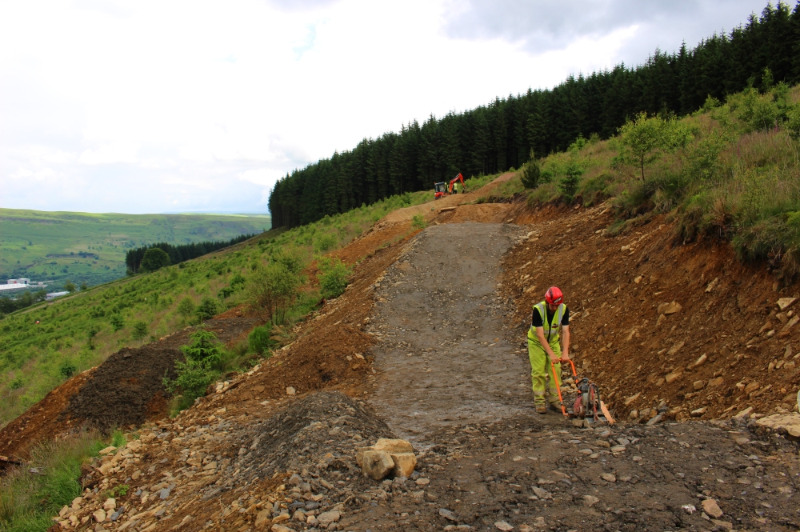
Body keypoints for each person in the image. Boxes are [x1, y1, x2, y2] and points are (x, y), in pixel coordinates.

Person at [527, 286, 570, 414]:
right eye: (552, 306)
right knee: (539, 371)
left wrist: (565, 352)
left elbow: (566, 331)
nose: (555, 308)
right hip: (536, 342)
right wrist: (551, 354)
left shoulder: (564, 309)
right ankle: (539, 401)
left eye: (557, 305)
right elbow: (540, 335)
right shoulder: (538, 310)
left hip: (553, 341)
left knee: (556, 370)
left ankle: (555, 400)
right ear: (547, 302)